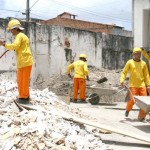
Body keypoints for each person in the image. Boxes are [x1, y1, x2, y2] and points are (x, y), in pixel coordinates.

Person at [0, 19, 33, 104]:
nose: (11, 31)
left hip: (24, 62)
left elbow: (15, 46)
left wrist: (4, 44)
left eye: (11, 29)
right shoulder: (22, 36)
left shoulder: (19, 36)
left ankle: (24, 98)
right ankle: (26, 96)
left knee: (22, 81)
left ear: (15, 28)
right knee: (22, 80)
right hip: (24, 62)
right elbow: (18, 47)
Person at [120, 47, 150, 121]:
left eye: (139, 54)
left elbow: (146, 75)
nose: (138, 55)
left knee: (145, 103)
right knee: (132, 100)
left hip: (142, 85)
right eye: (136, 54)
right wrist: (122, 80)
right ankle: (127, 110)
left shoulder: (143, 63)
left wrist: (148, 85)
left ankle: (141, 117)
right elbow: (124, 72)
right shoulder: (129, 62)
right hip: (133, 85)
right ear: (133, 54)